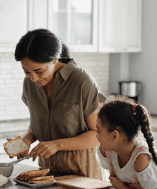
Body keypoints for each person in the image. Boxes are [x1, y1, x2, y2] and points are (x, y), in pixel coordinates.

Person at [10, 29, 106, 179]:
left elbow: (98, 134)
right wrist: (27, 140)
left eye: (39, 71)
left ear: (55, 59)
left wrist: (57, 145)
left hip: (82, 174)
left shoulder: (81, 81)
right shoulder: (29, 83)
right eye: (26, 72)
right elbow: (39, 123)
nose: (34, 79)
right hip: (46, 174)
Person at [97, 96, 157, 189]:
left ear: (115, 136)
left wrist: (124, 188)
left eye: (98, 131)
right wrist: (136, 188)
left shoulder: (141, 160)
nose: (96, 136)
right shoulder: (108, 151)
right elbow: (114, 181)